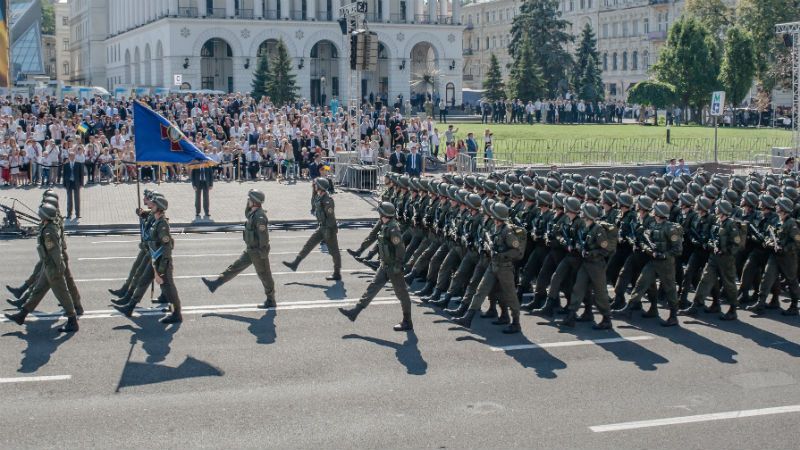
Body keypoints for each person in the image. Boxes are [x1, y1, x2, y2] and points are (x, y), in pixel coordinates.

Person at [4, 203, 80, 333]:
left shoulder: (49, 231)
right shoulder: (48, 226)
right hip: (48, 266)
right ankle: (22, 315)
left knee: (63, 294)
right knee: (37, 291)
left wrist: (59, 267)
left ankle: (72, 321)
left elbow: (54, 250)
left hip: (53, 267)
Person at [338, 202, 414, 331]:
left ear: (383, 214)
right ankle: (355, 312)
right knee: (372, 288)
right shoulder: (385, 226)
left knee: (402, 294)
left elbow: (400, 249)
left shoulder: (393, 229)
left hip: (393, 268)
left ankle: (407, 321)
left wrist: (397, 265)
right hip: (385, 265)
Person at [202, 189, 276, 308]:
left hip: (258, 251)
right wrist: (248, 204)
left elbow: (264, 237)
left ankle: (271, 300)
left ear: (255, 201)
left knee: (264, 275)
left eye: (250, 199)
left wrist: (263, 253)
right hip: (250, 250)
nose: (248, 200)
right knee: (235, 267)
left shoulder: (260, 216)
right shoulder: (253, 213)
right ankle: (215, 283)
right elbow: (246, 213)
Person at [114, 194, 182, 324]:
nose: (151, 206)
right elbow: (152, 239)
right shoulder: (155, 220)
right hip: (154, 259)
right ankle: (130, 307)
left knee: (168, 288)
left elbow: (167, 246)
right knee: (143, 280)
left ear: (159, 208)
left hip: (162, 261)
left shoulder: (162, 224)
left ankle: (177, 313)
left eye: (154, 205)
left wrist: (162, 268)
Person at [283, 178, 342, 281]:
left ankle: (337, 273)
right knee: (309, 244)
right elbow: (313, 200)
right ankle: (295, 263)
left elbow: (331, 218)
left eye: (316, 185)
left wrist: (328, 232)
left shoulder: (328, 200)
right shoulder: (319, 197)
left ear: (320, 187)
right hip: (322, 227)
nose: (314, 186)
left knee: (334, 252)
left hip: (329, 229)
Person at [62, 151, 84, 219]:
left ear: (75, 156)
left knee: (77, 199)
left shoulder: (78, 164)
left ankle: (77, 214)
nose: (72, 157)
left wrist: (81, 183)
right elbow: (64, 175)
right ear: (69, 157)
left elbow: (81, 174)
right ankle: (69, 214)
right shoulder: (66, 165)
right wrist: (64, 184)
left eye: (73, 156)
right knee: (69, 199)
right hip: (69, 183)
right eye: (70, 156)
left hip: (76, 182)